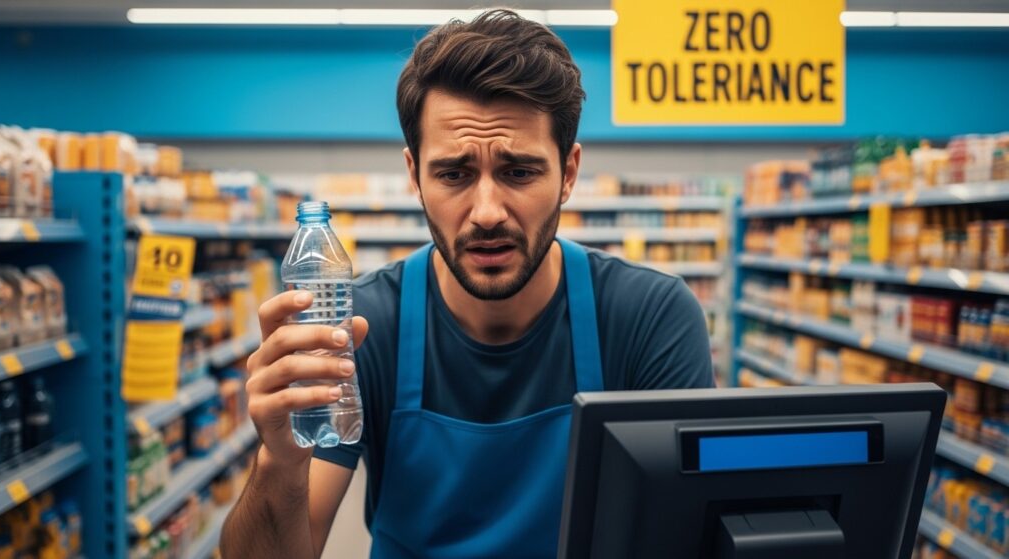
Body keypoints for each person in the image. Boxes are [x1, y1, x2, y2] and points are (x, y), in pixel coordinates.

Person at [221, 9, 713, 559]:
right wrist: (278, 465)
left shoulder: (649, 316)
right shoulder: (360, 328)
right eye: (454, 174)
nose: (486, 212)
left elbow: (686, 534)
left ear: (568, 173)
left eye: (519, 172)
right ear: (415, 176)